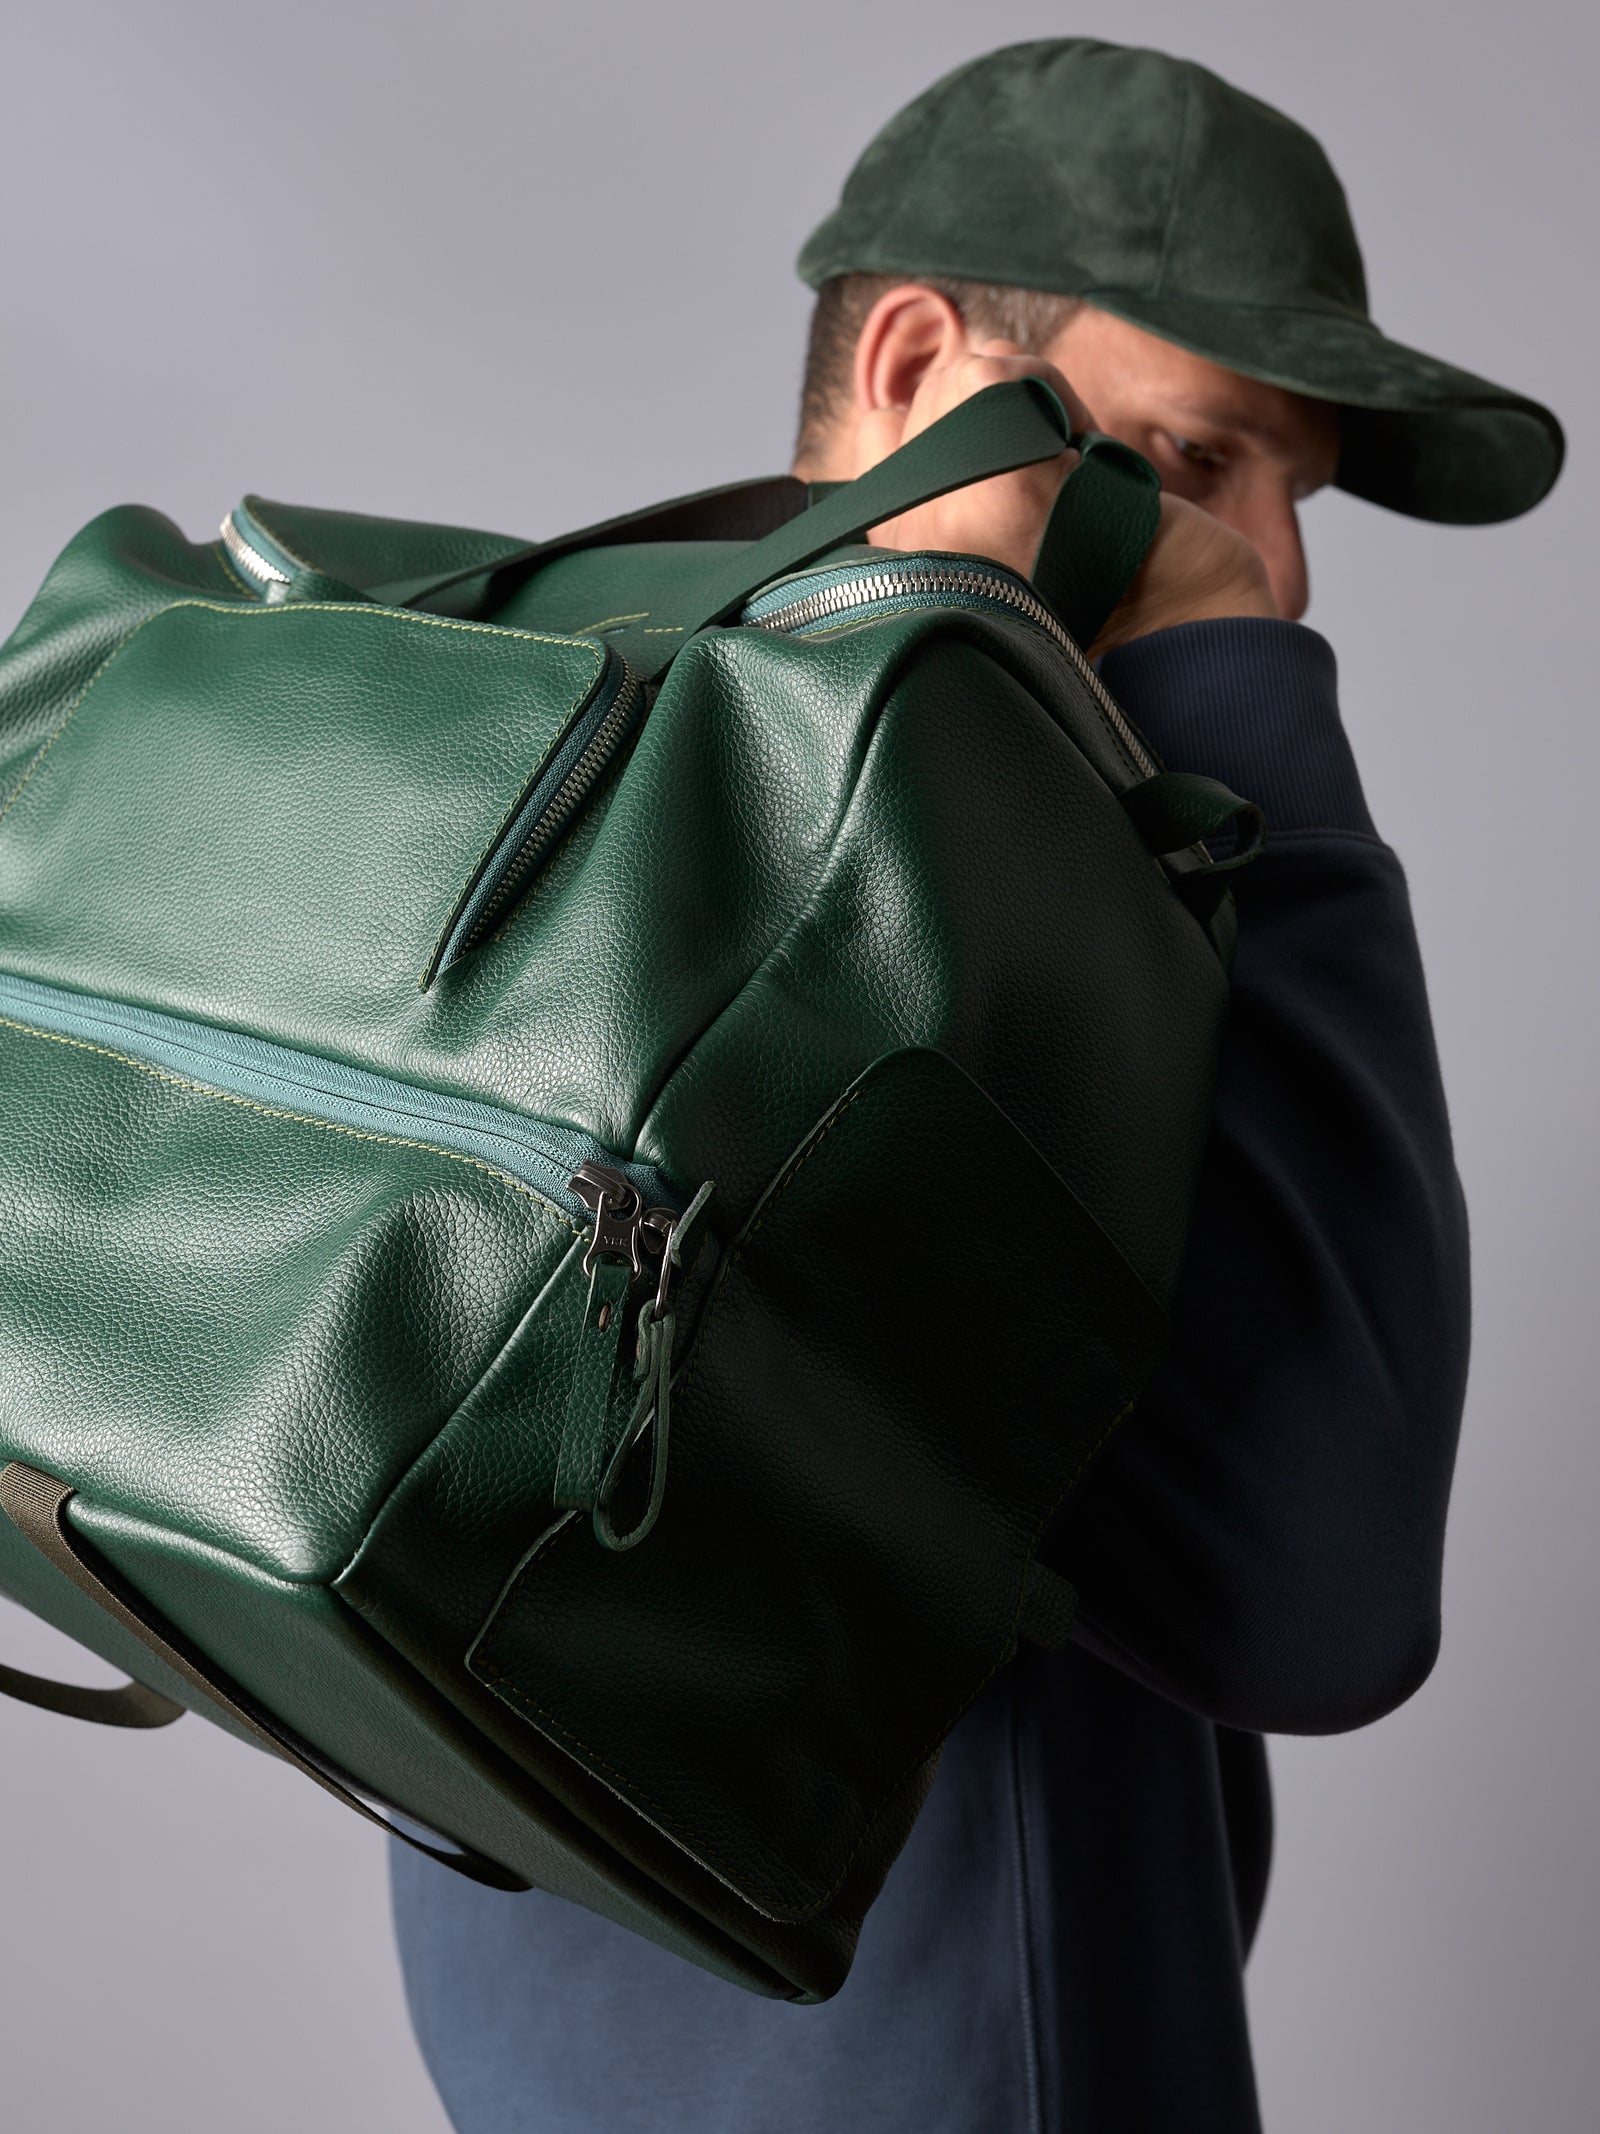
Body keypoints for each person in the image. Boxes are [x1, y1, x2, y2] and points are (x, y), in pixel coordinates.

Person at [391, 41, 1562, 2132]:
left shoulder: (552, 763)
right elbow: (1327, 1591)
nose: (1270, 571)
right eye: (1197, 460)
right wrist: (1243, 715)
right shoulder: (923, 898)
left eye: (1291, 508)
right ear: (920, 355)